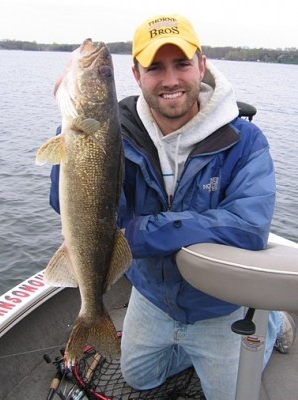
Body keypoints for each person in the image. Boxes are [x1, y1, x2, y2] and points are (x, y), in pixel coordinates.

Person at [49, 13, 296, 400]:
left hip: (220, 307)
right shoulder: (116, 131)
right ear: (135, 74)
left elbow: (248, 227)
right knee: (139, 379)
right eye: (155, 68)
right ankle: (185, 346)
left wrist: (144, 232)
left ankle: (272, 323)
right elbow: (65, 203)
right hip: (152, 298)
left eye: (181, 64)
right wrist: (67, 130)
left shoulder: (245, 141)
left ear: (201, 64)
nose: (170, 80)